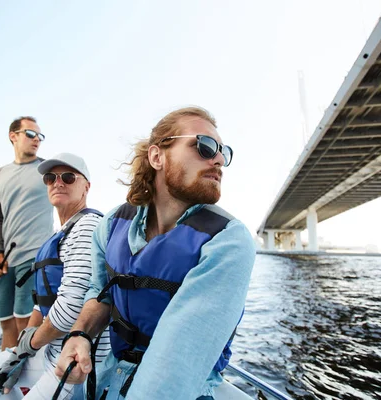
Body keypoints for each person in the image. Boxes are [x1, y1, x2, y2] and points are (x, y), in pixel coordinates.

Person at [55, 106, 256, 399]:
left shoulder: (227, 242)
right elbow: (100, 293)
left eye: (224, 152)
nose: (219, 159)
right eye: (204, 146)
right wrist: (80, 335)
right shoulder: (110, 226)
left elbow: (173, 370)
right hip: (107, 381)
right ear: (156, 156)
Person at [0, 153, 111, 399]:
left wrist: (30, 344)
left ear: (86, 187)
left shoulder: (87, 227)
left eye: (68, 177)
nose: (57, 183)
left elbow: (70, 309)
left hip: (77, 363)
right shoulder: (61, 233)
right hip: (51, 350)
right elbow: (40, 302)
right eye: (50, 178)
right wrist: (20, 350)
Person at [0, 116, 54, 350]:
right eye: (30, 134)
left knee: (24, 320)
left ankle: (19, 371)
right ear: (13, 136)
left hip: (35, 256)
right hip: (5, 260)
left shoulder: (49, 170)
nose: (37, 140)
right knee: (5, 322)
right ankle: (2, 372)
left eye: (40, 136)